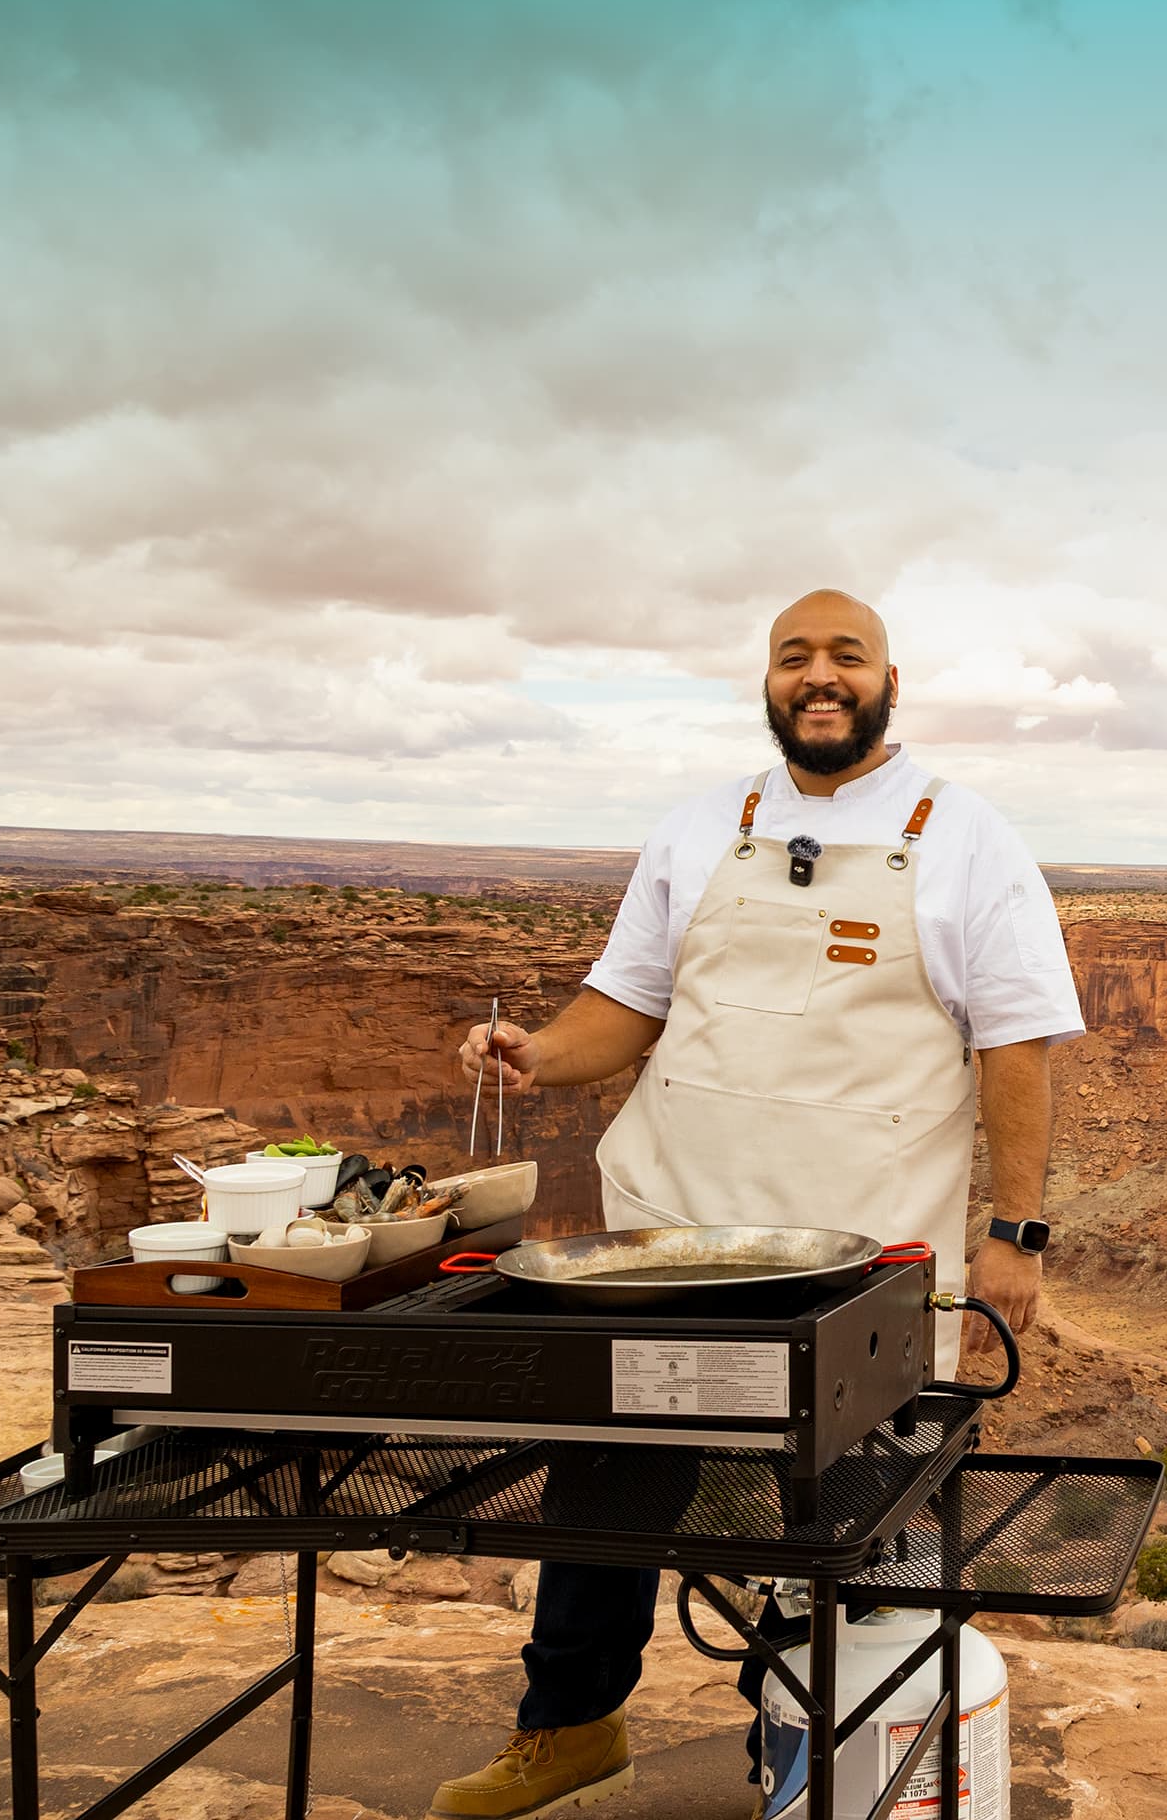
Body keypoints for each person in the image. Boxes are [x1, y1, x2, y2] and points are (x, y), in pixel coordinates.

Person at [430, 588, 1083, 1819]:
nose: (819, 676)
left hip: (867, 1257)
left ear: (892, 678)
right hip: (676, 1232)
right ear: (768, 680)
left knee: (856, 1524)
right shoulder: (699, 828)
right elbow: (624, 1006)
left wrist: (1016, 1232)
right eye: (796, 657)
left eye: (847, 655)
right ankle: (568, 1728)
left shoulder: (967, 838)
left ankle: (822, 1763)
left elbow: (1018, 1048)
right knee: (605, 1481)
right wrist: (535, 1053)